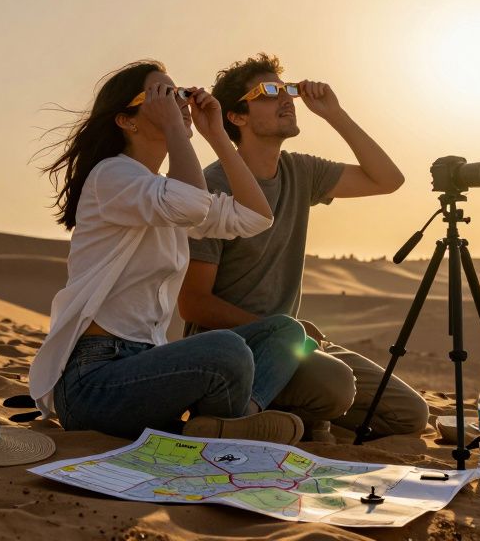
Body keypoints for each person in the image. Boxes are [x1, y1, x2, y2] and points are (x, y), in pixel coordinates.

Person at [27, 60, 306, 443]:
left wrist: (218, 136)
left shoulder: (164, 192)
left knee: (286, 331)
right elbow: (189, 204)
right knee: (227, 349)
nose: (179, 102)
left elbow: (255, 217)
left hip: (143, 366)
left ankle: (237, 420)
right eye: (164, 95)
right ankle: (231, 426)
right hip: (93, 382)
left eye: (180, 93)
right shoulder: (111, 176)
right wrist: (180, 129)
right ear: (127, 120)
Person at [179, 54, 427, 441]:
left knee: (410, 413)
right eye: (269, 92)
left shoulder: (300, 172)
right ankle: (277, 412)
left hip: (295, 342)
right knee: (335, 385)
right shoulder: (214, 188)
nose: (287, 100)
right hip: (234, 347)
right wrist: (279, 330)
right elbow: (193, 304)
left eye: (288, 90)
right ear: (237, 117)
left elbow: (388, 179)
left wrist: (335, 114)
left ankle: (297, 413)